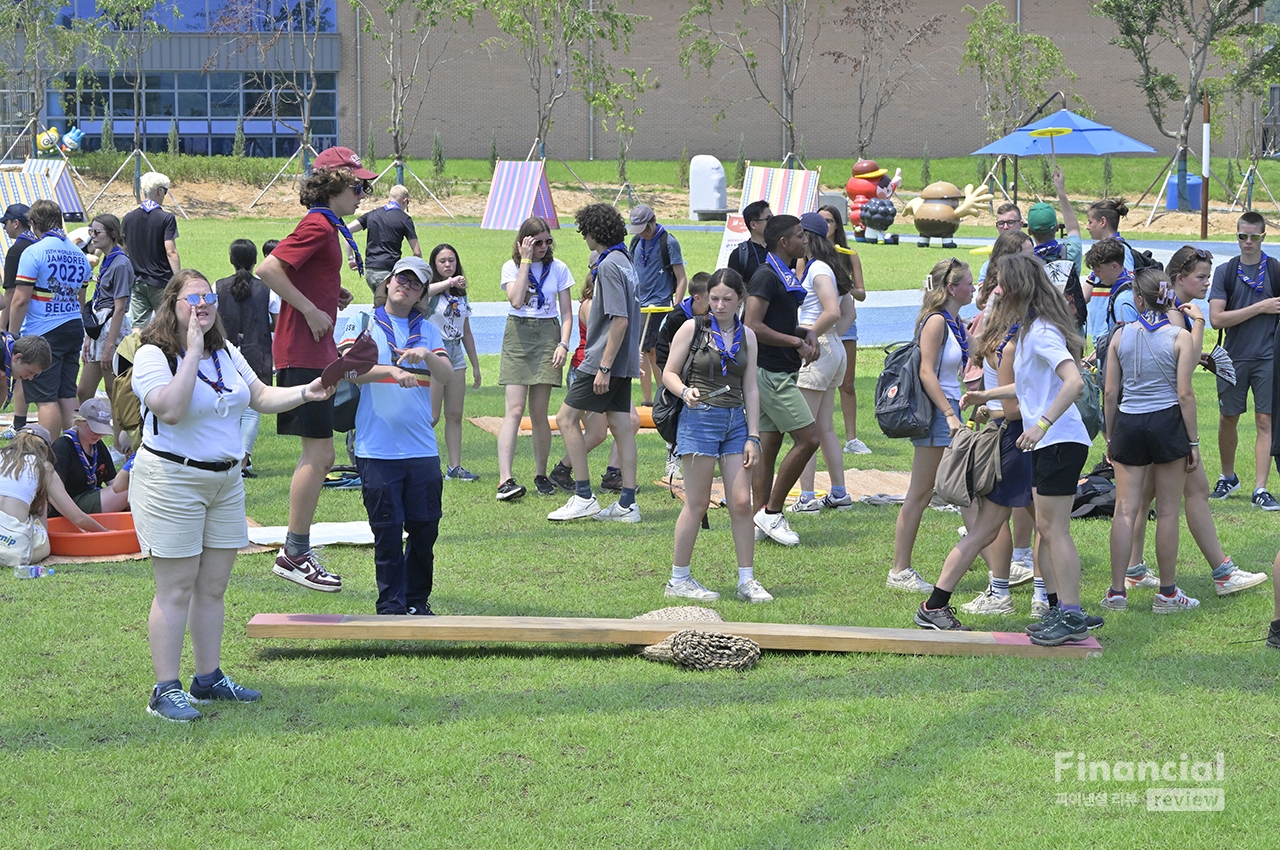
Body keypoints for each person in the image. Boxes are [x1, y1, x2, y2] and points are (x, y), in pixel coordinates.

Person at [132, 269, 332, 722]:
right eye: (192, 299)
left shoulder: (226, 352)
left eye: (209, 298)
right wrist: (193, 350)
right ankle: (165, 690)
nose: (202, 306)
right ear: (172, 304)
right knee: (177, 587)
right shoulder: (153, 353)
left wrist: (307, 391)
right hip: (172, 480)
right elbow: (171, 408)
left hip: (225, 482)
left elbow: (258, 395)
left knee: (214, 586)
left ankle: (208, 678)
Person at [1121, 247, 1266, 596]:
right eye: (1200, 277)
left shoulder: (1171, 311)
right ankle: (1222, 572)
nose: (1206, 283)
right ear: (1178, 279)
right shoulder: (1177, 315)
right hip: (1168, 421)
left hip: (1143, 418)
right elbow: (1179, 363)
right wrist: (1199, 322)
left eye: (1208, 276)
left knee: (1145, 497)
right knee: (1196, 492)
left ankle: (1134, 568)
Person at [256, 145, 369, 592]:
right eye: (357, 185)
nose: (362, 193)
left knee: (321, 454)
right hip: (303, 351)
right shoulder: (318, 225)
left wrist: (329, 295)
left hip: (311, 350)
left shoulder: (326, 226)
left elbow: (294, 273)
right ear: (334, 184)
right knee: (319, 454)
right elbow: (269, 269)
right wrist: (308, 309)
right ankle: (294, 552)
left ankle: (295, 549)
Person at [916, 264, 1036, 630]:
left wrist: (986, 398)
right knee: (1037, 528)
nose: (978, 290)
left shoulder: (1017, 338)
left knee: (997, 528)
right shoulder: (1014, 343)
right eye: (969, 283)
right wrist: (961, 412)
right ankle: (1048, 604)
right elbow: (1017, 406)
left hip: (1013, 436)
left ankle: (1043, 602)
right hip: (1015, 440)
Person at [992, 253, 1098, 646]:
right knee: (1048, 529)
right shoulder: (1030, 330)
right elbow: (1033, 386)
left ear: (1018, 286)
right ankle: (1060, 610)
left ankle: (1071, 615)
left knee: (1055, 530)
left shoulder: (1041, 333)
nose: (997, 290)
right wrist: (987, 393)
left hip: (1059, 440)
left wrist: (1041, 424)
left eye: (1001, 283)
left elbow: (1073, 383)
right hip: (1051, 441)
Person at [340, 256, 452, 615]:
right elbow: (347, 368)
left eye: (415, 283)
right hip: (377, 448)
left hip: (420, 448)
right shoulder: (364, 321)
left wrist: (426, 357)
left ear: (421, 294)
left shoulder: (429, 329)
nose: (406, 285)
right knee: (387, 533)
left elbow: (447, 375)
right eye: (400, 279)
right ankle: (391, 605)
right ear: (388, 283)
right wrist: (390, 369)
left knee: (424, 531)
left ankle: (417, 602)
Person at [662, 268, 770, 602]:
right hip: (699, 419)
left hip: (735, 421)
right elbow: (668, 372)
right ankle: (678, 580)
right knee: (696, 503)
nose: (719, 305)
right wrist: (684, 392)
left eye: (727, 299)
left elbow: (750, 388)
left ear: (741, 299)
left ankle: (746, 581)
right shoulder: (692, 327)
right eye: (714, 298)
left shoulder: (747, 336)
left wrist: (754, 435)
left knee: (741, 502)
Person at [1100, 268, 1201, 614]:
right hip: (1167, 421)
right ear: (1167, 296)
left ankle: (1116, 592)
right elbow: (1185, 394)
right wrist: (1194, 442)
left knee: (1125, 510)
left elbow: (1111, 391)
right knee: (1169, 511)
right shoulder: (1179, 336)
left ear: (1138, 300)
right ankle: (1168, 594)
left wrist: (1111, 434)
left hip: (1129, 421)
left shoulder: (1120, 336)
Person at [548, 203, 642, 523]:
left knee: (565, 419)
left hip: (605, 359)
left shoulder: (611, 265)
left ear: (593, 232)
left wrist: (603, 366)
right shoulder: (626, 261)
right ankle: (627, 504)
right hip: (623, 361)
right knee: (620, 427)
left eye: (584, 231)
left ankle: (583, 495)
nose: (583, 237)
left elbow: (619, 320)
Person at [887, 258, 974, 593]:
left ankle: (998, 570)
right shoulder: (936, 322)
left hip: (951, 408)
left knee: (966, 490)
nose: (973, 287)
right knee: (921, 493)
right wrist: (949, 415)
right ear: (952, 288)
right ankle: (899, 571)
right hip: (940, 412)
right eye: (968, 282)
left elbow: (979, 354)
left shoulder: (956, 322)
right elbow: (926, 372)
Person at [745, 214, 820, 547]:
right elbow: (753, 325)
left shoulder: (784, 271)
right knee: (809, 439)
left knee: (769, 446)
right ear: (784, 243)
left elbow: (780, 321)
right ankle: (773, 512)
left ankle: (760, 519)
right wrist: (796, 343)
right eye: (800, 236)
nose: (806, 240)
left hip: (775, 370)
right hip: (771, 374)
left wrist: (805, 332)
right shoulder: (765, 274)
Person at [495, 216, 574, 501]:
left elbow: (566, 313)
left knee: (539, 413)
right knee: (514, 411)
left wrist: (564, 344)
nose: (543, 246)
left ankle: (541, 474)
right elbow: (516, 301)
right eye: (536, 242)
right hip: (518, 332)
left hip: (547, 334)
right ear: (524, 242)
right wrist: (526, 262)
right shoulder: (511, 266)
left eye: (547, 241)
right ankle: (506, 479)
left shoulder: (559, 268)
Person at [1207, 210, 1280, 508]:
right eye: (1242, 236)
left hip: (1269, 357)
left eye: (1254, 236)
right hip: (1232, 358)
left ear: (1264, 237)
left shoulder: (1274, 269)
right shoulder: (1226, 271)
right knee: (1228, 418)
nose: (1247, 242)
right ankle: (1228, 476)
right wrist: (1260, 307)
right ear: (1236, 236)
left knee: (1266, 420)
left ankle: (1260, 488)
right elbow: (1216, 319)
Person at [8, 200, 92, 435]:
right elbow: (80, 301)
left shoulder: (33, 252)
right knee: (67, 393)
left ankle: (49, 454)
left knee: (45, 398)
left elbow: (20, 299)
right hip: (74, 325)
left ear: (33, 224)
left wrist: (13, 335)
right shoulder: (79, 255)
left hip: (44, 330)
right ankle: (78, 452)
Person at [790, 212, 853, 513]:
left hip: (818, 350)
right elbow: (848, 311)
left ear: (809, 237)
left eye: (801, 235)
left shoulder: (818, 270)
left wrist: (810, 336)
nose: (798, 240)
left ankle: (806, 497)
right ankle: (839, 492)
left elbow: (833, 311)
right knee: (824, 426)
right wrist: (829, 339)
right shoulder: (832, 267)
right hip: (833, 348)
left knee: (806, 430)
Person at [0, 425, 106, 568]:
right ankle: (40, 540)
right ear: (45, 449)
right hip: (12, 546)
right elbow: (78, 517)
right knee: (40, 500)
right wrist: (106, 532)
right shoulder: (44, 467)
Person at [422, 243, 481, 482]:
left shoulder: (460, 292)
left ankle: (455, 467)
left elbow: (466, 330)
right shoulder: (431, 289)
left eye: (452, 261)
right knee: (432, 415)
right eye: (442, 261)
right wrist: (449, 283)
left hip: (456, 352)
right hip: (436, 352)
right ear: (434, 265)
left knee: (455, 414)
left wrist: (475, 365)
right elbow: (422, 294)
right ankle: (420, 462)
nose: (448, 265)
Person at [215, 239, 274, 478]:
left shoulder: (217, 286)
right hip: (257, 352)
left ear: (231, 260)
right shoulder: (268, 289)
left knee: (228, 408)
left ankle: (232, 459)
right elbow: (278, 323)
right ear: (255, 261)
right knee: (252, 409)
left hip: (225, 353)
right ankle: (242, 462)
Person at [818, 204, 871, 456]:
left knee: (846, 384)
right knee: (813, 382)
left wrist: (844, 285)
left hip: (845, 324)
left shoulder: (848, 254)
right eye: (820, 221)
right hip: (815, 324)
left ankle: (852, 439)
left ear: (837, 225)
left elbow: (861, 293)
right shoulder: (806, 253)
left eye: (829, 221)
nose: (824, 225)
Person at [628, 204, 688, 407]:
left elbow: (681, 278)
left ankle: (663, 395)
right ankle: (648, 399)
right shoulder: (636, 241)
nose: (643, 234)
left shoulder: (668, 242)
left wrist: (677, 307)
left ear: (653, 222)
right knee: (643, 350)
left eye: (645, 228)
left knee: (651, 349)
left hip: (660, 305)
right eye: (638, 230)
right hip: (638, 304)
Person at [77, 214, 132, 405]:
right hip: (99, 328)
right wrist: (88, 337)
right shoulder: (107, 260)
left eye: (97, 232)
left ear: (112, 234)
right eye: (91, 231)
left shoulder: (121, 263)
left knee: (113, 391)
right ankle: (91, 434)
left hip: (111, 329)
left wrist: (109, 346)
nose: (92, 236)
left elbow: (120, 308)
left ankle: (119, 436)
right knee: (84, 390)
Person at [50, 396, 129, 516]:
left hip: (92, 495)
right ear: (78, 422)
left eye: (101, 430)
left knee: (132, 489)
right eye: (92, 428)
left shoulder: (98, 445)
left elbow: (113, 482)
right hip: (69, 504)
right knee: (128, 492)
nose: (97, 434)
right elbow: (53, 493)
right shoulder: (63, 447)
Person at [122, 171, 180, 326]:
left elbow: (124, 250)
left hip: (138, 281)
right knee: (166, 325)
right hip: (161, 282)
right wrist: (178, 279)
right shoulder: (166, 218)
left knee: (137, 327)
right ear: (160, 191)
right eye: (165, 191)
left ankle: (136, 350)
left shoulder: (128, 218)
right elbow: (171, 251)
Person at [348, 184, 421, 307]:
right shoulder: (404, 219)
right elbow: (417, 252)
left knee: (382, 305)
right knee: (392, 309)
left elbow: (348, 229)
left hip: (370, 271)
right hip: (387, 272)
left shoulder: (372, 214)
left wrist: (350, 258)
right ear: (404, 200)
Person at [1, 204, 36, 439]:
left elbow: (10, 296)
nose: (4, 227)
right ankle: (20, 422)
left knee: (18, 371)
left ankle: (18, 423)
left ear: (16, 223)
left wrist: (4, 328)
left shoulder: (16, 251)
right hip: (40, 318)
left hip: (20, 321)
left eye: (6, 223)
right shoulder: (38, 245)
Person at [977, 202, 1023, 284]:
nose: (1005, 227)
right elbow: (983, 293)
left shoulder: (1032, 258)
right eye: (1001, 223)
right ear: (996, 226)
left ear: (1021, 224)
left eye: (1010, 222)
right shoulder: (988, 267)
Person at [727, 200, 772, 283]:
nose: (773, 222)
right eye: (768, 219)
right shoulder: (739, 255)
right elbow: (733, 286)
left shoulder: (781, 246)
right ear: (753, 225)